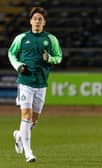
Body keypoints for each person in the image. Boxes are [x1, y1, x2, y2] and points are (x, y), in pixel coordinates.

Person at [8, 7, 62, 163]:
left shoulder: (51, 39)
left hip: (41, 83)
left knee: (34, 120)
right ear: (30, 21)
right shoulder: (22, 38)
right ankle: (28, 153)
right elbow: (11, 53)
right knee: (26, 116)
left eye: (40, 19)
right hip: (25, 82)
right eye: (35, 18)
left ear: (44, 22)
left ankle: (19, 135)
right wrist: (18, 65)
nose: (37, 21)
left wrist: (49, 58)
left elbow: (58, 57)